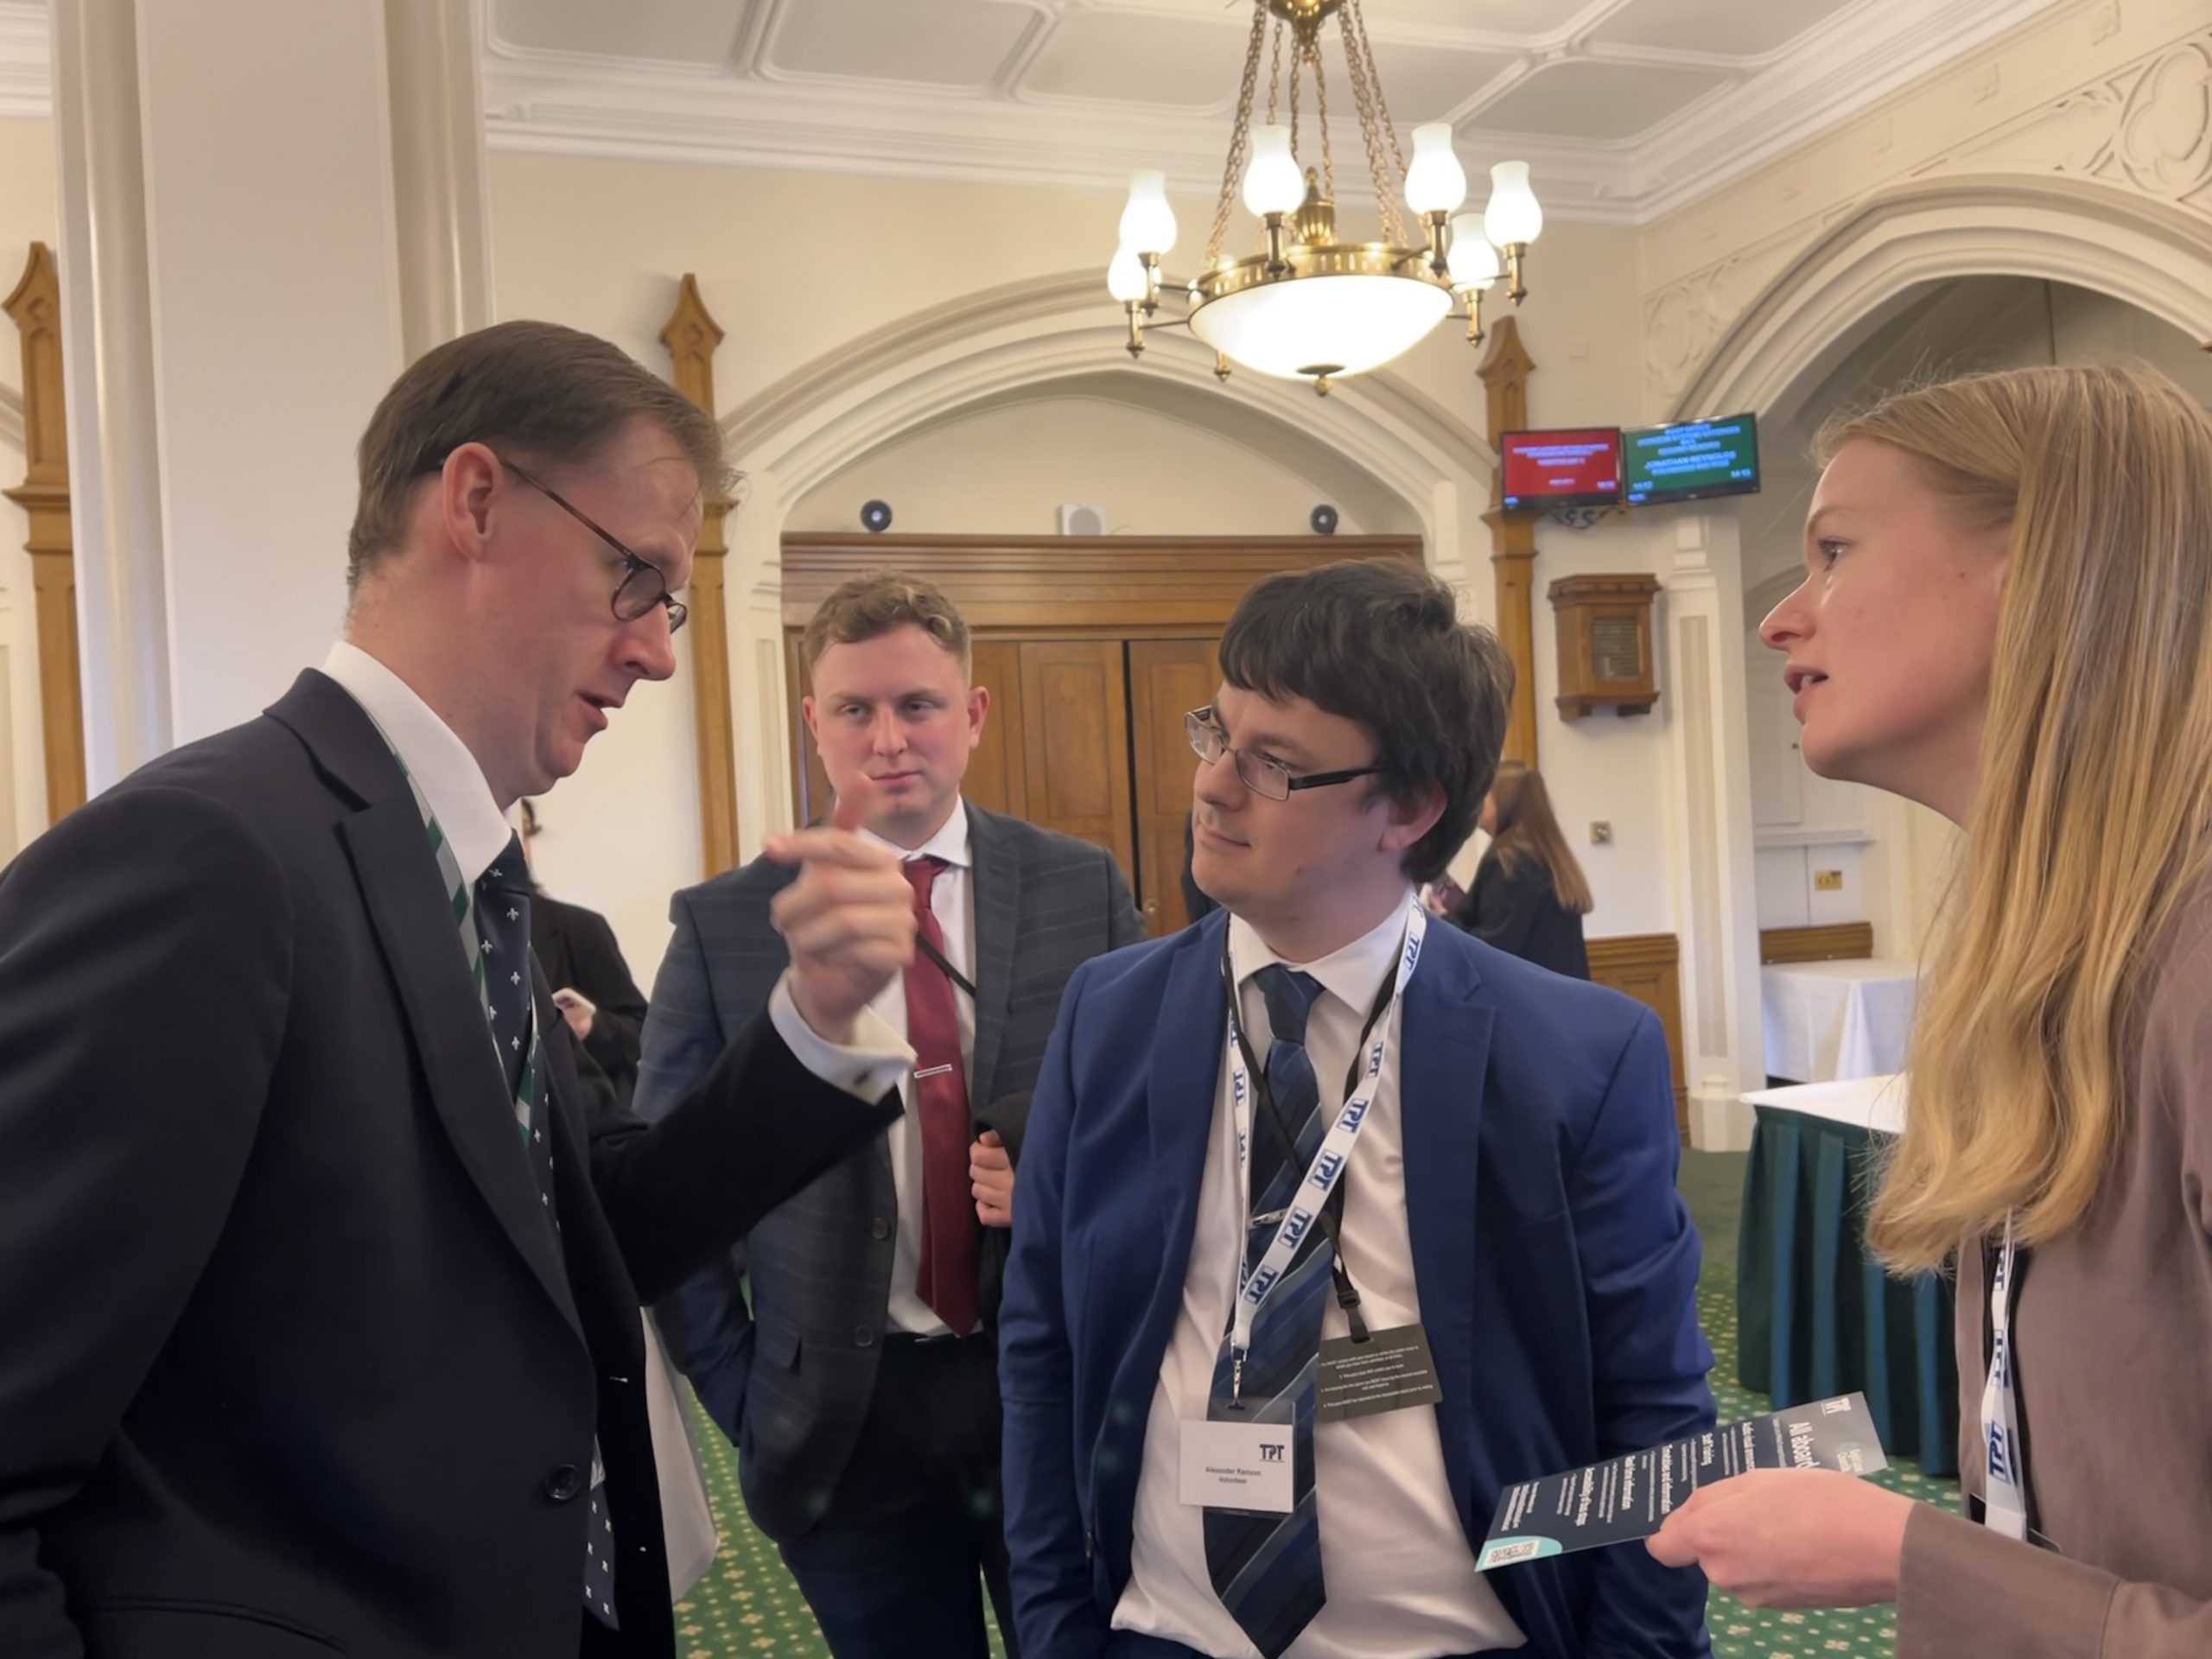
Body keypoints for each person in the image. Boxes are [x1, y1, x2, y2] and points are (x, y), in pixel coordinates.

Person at [0, 321, 924, 1658]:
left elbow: (573, 1240)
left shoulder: (466, 877)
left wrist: (819, 1026)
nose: (662, 652)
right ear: (477, 501)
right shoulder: (211, 854)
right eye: (638, 580)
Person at [1000, 557, 1715, 1659]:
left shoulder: (1576, 1054)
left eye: (1274, 764)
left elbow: (1650, 1409)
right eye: (1216, 734)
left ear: (1411, 808)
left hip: (1458, 1637)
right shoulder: (1112, 1012)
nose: (1213, 785)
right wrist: (1054, 1628)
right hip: (1165, 1634)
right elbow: (1044, 1339)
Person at [1649, 363, 2212, 1658]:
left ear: (2043, 567)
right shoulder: (2058, 958)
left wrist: (1905, 1555)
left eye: (1835, 549)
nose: (1778, 619)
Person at [637, 570, 1146, 1658]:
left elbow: (1157, 1127)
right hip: (839, 1418)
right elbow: (669, 1187)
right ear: (813, 723)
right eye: (855, 710)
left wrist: (1056, 1181)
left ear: (971, 716)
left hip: (1047, 1394)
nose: (888, 740)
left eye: (917, 706)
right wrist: (742, 1392)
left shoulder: (1081, 887)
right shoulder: (729, 922)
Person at [520, 797, 653, 1104]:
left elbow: (642, 1035)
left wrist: (591, 1027)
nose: (517, 842)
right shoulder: (440, 932)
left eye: (525, 831)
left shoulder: (579, 928)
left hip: (576, 1126)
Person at [1446, 760, 1591, 979]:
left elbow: (1493, 947)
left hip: (1530, 1000)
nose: (1478, 804)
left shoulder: (1510, 862)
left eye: (1486, 795)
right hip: (1563, 996)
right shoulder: (1548, 856)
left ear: (1506, 803)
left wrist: (1441, 922)